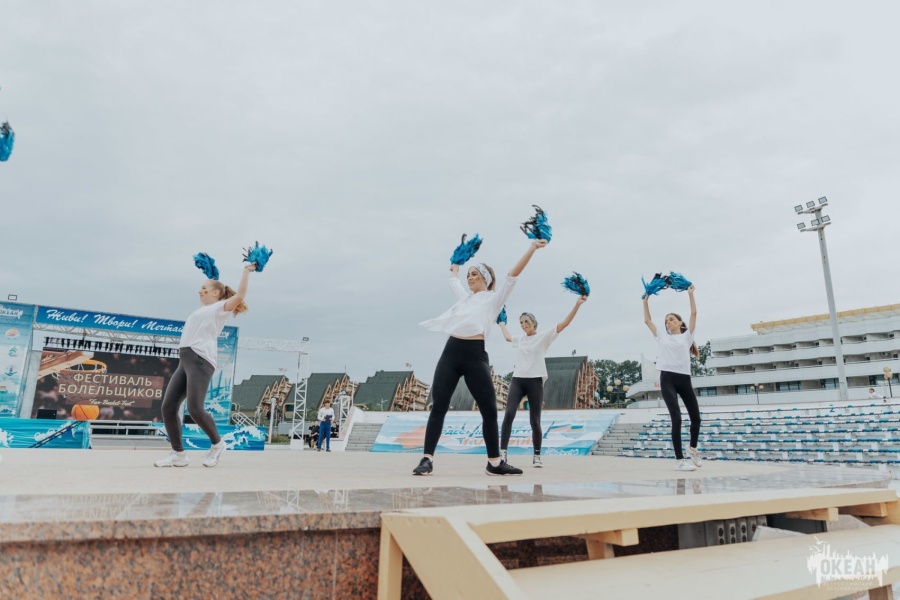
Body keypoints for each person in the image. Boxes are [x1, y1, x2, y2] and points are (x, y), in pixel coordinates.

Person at [415, 238, 548, 476]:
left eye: (474, 274)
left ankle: (494, 463)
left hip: (475, 355)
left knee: (489, 410)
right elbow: (453, 279)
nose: (470, 277)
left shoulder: (493, 299)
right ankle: (427, 459)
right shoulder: (465, 298)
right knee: (439, 406)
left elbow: (512, 276)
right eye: (469, 275)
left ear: (485, 278)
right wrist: (456, 266)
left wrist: (532, 248)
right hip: (450, 353)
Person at [154, 263, 255, 467]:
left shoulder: (220, 308)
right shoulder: (204, 309)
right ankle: (178, 454)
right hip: (186, 360)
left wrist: (246, 271)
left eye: (204, 288)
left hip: (200, 360)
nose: (200, 291)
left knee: (195, 408)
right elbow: (208, 293)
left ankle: (218, 444)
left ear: (216, 293)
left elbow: (240, 295)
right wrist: (212, 278)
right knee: (168, 407)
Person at [498, 295, 588, 467]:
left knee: (535, 420)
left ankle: (537, 456)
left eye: (526, 321)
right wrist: (501, 323)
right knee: (509, 414)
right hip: (518, 379)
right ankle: (503, 454)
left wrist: (577, 305)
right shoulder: (520, 339)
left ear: (533, 322)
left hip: (535, 381)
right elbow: (508, 337)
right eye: (521, 322)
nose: (523, 325)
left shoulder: (544, 336)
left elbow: (564, 324)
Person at [643, 284, 701, 471]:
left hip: (684, 379)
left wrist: (690, 294)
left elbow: (694, 313)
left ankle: (693, 449)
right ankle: (679, 460)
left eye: (671, 319)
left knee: (696, 418)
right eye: (666, 320)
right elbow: (647, 320)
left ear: (679, 322)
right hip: (667, 378)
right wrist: (645, 301)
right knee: (676, 418)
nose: (668, 322)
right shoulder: (662, 337)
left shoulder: (687, 337)